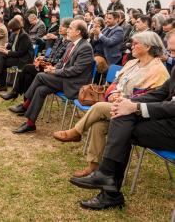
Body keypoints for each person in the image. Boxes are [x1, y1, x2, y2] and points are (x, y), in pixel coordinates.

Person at [69, 31, 175, 210]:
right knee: (123, 116)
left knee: (123, 121)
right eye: (170, 51)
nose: (169, 56)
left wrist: (135, 107)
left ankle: (109, 185)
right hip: (166, 122)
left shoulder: (159, 67)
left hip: (171, 127)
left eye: (173, 52)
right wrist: (129, 103)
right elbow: (161, 93)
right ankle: (108, 182)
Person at [53, 31, 169, 178]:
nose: (130, 46)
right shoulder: (132, 63)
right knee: (98, 125)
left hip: (136, 112)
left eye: (135, 43)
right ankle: (94, 167)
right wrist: (113, 93)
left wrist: (126, 100)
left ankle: (76, 132)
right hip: (117, 107)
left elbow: (153, 98)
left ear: (148, 47)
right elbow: (114, 83)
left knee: (99, 107)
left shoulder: (159, 70)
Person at [10, 20, 94, 133]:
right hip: (64, 79)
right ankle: (30, 123)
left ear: (78, 32)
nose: (68, 30)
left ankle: (25, 105)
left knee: (40, 76)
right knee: (41, 89)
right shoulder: (71, 44)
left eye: (70, 28)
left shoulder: (85, 47)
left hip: (73, 84)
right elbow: (62, 62)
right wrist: (53, 68)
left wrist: (55, 72)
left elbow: (76, 70)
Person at [0, 18, 72, 101]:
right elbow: (53, 55)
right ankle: (23, 101)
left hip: (52, 69)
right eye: (60, 26)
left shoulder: (69, 44)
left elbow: (61, 61)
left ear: (68, 29)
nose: (60, 28)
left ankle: (16, 94)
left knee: (27, 69)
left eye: (63, 26)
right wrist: (44, 58)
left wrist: (46, 60)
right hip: (47, 65)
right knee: (27, 74)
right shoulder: (59, 39)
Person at [0, 17, 34, 91]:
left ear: (14, 27)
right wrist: (5, 48)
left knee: (2, 60)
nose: (10, 30)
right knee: (0, 55)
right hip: (17, 56)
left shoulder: (24, 36)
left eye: (11, 28)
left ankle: (0, 81)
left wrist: (7, 52)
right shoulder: (17, 34)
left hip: (23, 59)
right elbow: (14, 46)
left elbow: (20, 53)